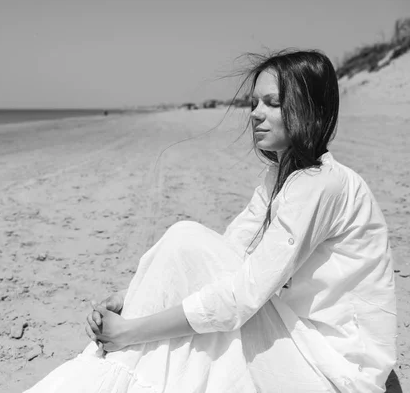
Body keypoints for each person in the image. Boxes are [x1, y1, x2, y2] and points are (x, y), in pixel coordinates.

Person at [24, 50, 397, 392]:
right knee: (186, 255)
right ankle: (110, 362)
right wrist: (136, 295)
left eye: (273, 103)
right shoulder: (279, 179)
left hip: (332, 371)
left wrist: (133, 330)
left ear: (311, 112)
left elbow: (242, 295)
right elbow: (231, 252)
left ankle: (108, 360)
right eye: (255, 102)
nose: (255, 113)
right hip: (299, 343)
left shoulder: (322, 184)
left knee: (186, 241)